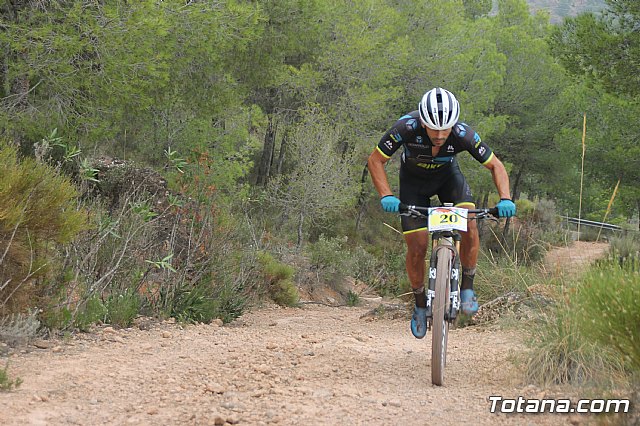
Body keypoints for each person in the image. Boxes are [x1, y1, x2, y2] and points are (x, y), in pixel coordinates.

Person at [367, 87, 516, 339]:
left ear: (453, 124)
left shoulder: (462, 134)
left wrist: (505, 198)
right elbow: (375, 160)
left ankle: (467, 286)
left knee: (469, 223)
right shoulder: (406, 127)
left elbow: (496, 165)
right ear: (422, 122)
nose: (439, 135)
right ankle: (419, 303)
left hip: (448, 180)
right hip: (413, 185)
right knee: (417, 246)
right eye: (433, 129)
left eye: (444, 129)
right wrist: (386, 195)